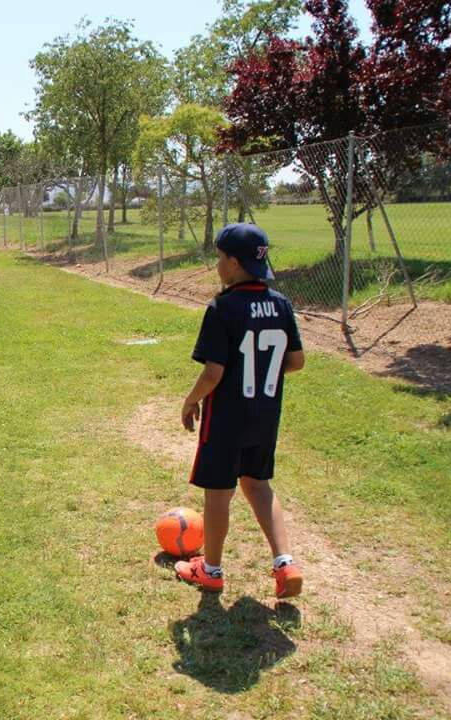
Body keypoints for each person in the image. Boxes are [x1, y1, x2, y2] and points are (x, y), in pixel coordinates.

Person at [175, 223, 305, 598]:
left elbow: (213, 372)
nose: (217, 264)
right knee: (258, 485)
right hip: (264, 416)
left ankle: (211, 570)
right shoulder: (280, 304)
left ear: (234, 263)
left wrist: (190, 399)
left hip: (227, 419)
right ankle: (285, 562)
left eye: (219, 257)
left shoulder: (223, 307)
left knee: (218, 493)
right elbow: (296, 361)